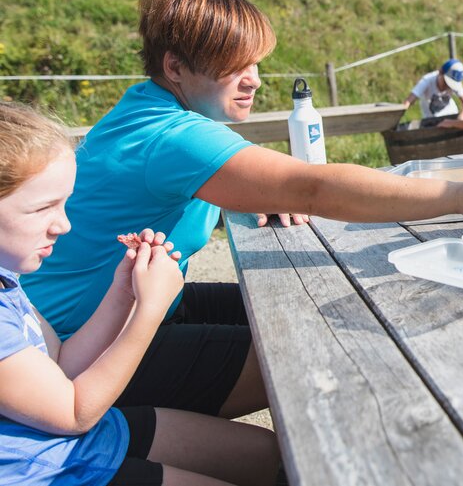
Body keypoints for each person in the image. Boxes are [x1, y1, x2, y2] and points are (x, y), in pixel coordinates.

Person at [21, 0, 463, 421]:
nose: (253, 79)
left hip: (130, 311)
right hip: (83, 349)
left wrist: (255, 192)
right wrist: (460, 194)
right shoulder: (174, 135)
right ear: (176, 67)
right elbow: (312, 186)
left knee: (315, 315)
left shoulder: (147, 112)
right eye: (233, 64)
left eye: (255, 62)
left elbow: (237, 183)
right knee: (332, 352)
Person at [0, 103, 280, 486]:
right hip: (45, 469)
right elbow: (73, 412)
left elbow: (62, 365)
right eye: (43, 208)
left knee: (267, 456)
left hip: (80, 440)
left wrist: (123, 293)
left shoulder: (7, 276)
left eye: (64, 203)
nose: (63, 225)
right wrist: (150, 310)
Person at [400, 58, 463, 125]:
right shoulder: (427, 80)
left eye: (450, 86)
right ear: (440, 72)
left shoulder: (455, 81)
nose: (447, 87)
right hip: (431, 121)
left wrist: (461, 118)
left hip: (451, 116)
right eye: (446, 83)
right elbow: (409, 101)